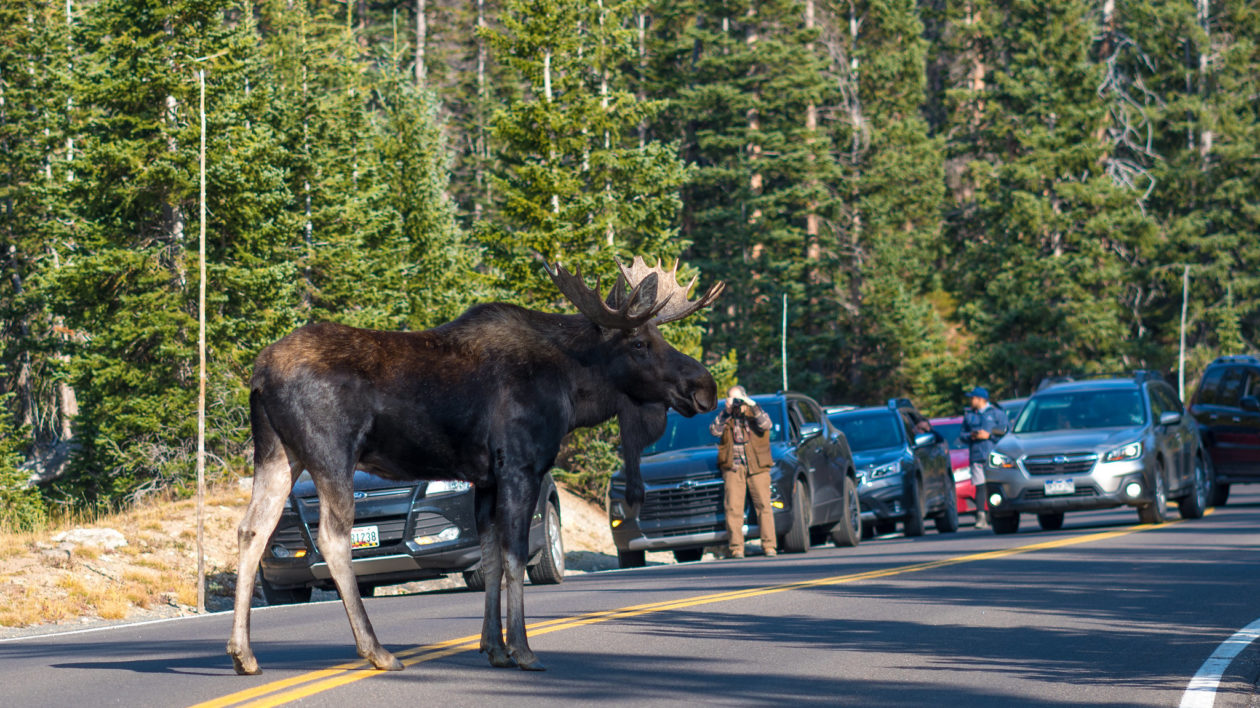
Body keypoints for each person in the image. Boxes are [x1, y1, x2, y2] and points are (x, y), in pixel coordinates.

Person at [709, 385, 777, 558]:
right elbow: (714, 431)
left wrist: (752, 406)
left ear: (746, 397)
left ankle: (769, 546)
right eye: (732, 398)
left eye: (739, 398)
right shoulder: (726, 416)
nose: (736, 402)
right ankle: (736, 548)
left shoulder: (754, 412)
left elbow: (766, 424)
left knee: (763, 506)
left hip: (758, 466)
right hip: (733, 466)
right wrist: (726, 412)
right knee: (733, 508)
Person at [959, 386, 1008, 530]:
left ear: (980, 399)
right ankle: (981, 516)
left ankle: (998, 514)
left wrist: (989, 436)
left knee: (995, 486)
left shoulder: (997, 413)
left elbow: (1006, 433)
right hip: (976, 455)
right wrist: (972, 435)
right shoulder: (969, 416)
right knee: (980, 487)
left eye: (972, 398)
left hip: (994, 456)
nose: (971, 400)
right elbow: (962, 436)